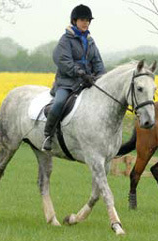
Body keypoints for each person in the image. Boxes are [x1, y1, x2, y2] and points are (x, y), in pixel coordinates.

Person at [42, 4, 105, 151]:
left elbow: (98, 62)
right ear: (74, 21)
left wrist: (101, 77)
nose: (86, 23)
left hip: (86, 83)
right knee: (58, 103)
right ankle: (48, 135)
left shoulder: (90, 41)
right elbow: (63, 61)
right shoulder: (65, 40)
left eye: (88, 20)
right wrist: (80, 73)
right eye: (83, 20)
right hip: (67, 83)